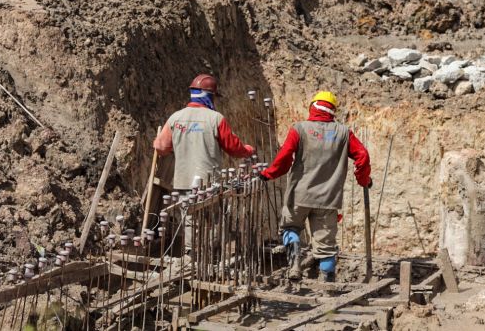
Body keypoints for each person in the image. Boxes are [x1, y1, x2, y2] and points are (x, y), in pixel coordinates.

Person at [260, 91, 371, 281]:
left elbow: (284, 157)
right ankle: (327, 284)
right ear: (332, 110)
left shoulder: (300, 129)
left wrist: (268, 174)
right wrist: (363, 180)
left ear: (313, 106)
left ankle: (295, 265)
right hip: (327, 200)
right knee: (326, 244)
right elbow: (362, 155)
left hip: (299, 196)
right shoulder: (343, 132)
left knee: (291, 228)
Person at [153, 73, 256, 249]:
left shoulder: (175, 118)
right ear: (209, 96)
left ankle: (190, 255)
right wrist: (248, 150)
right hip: (209, 182)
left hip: (183, 182)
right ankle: (213, 255)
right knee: (214, 220)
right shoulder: (215, 119)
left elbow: (161, 148)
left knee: (190, 221)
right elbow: (233, 148)